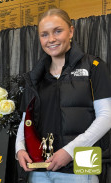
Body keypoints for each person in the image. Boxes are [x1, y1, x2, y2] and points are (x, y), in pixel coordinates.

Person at [16, 8, 111, 183]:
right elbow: (25, 120)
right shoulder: (34, 76)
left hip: (81, 169)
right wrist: (19, 149)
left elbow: (107, 117)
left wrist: (70, 151)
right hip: (39, 170)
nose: (51, 39)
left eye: (57, 31)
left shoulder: (94, 66)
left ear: (71, 31)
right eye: (44, 34)